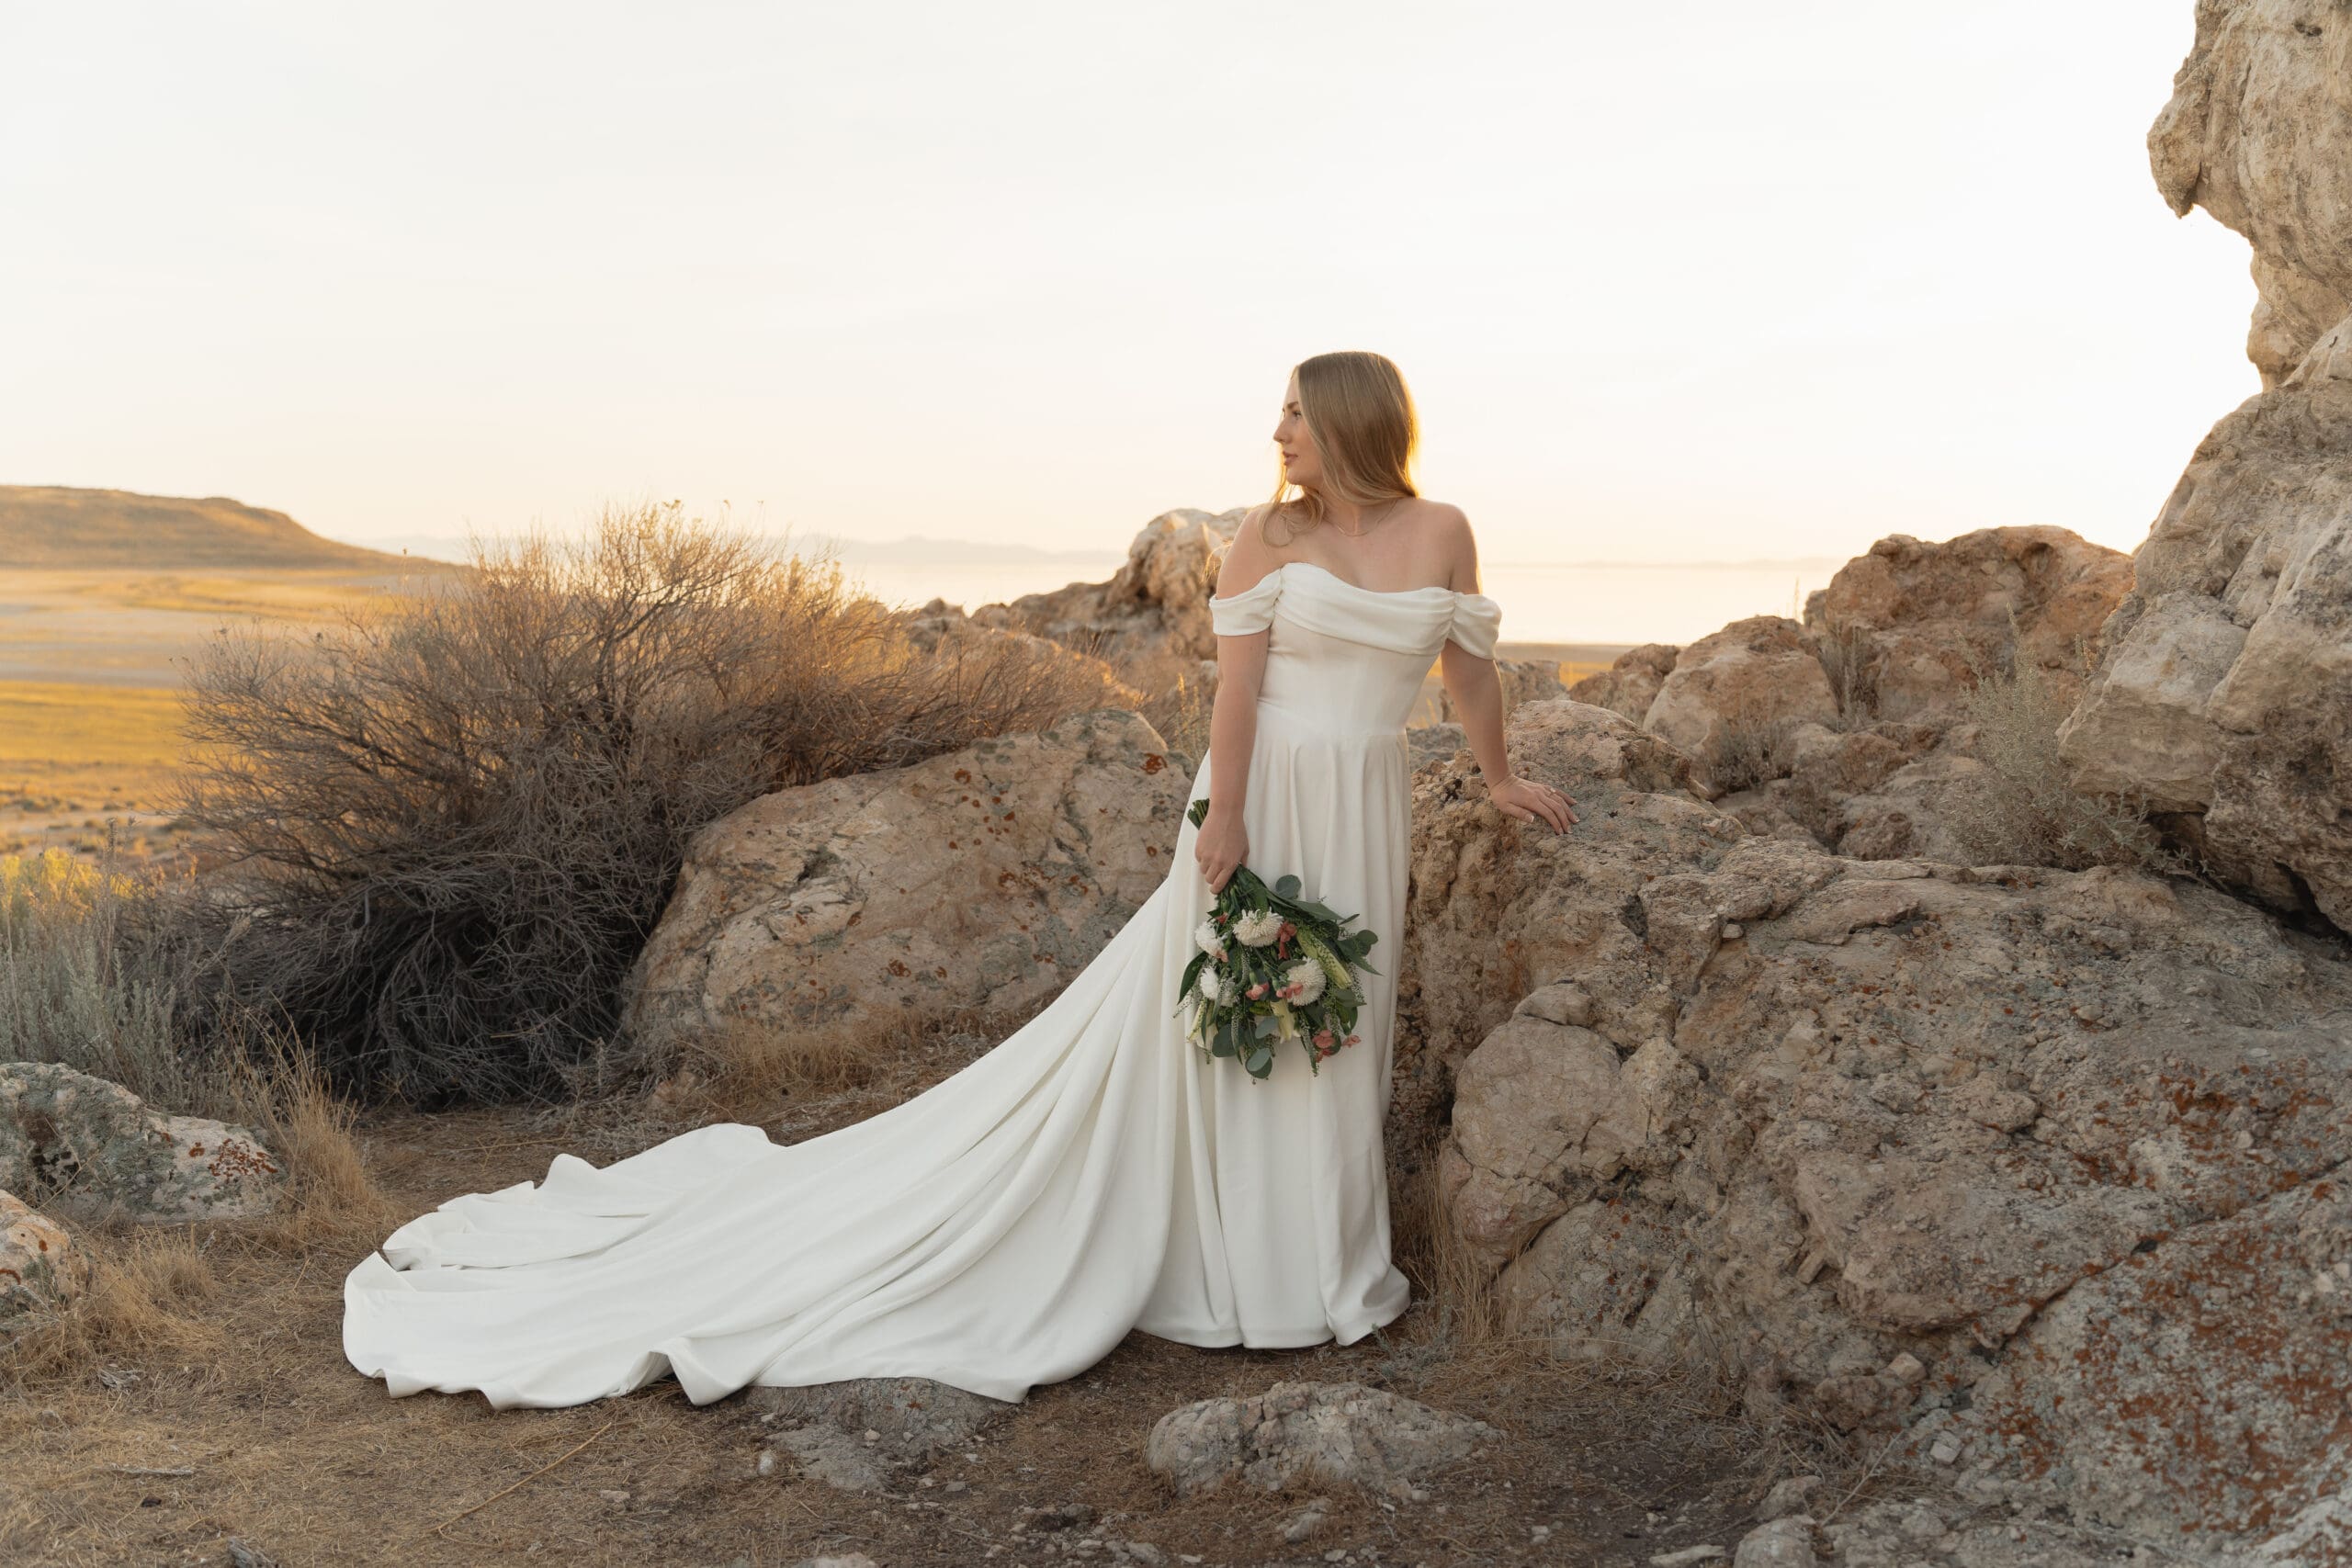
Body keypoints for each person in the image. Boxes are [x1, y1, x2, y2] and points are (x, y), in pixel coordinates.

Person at [341, 350, 1578, 1410]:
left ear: (1354, 419)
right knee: (1237, 1022)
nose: (1276, 431)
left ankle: (1322, 1264)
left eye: (1297, 412)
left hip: (1365, 802)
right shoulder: (1271, 534)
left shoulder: (1442, 531)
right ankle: (1247, 1270)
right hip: (1262, 803)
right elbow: (1237, 691)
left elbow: (1465, 667)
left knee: (1337, 1025)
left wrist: (1502, 772)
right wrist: (1228, 823)